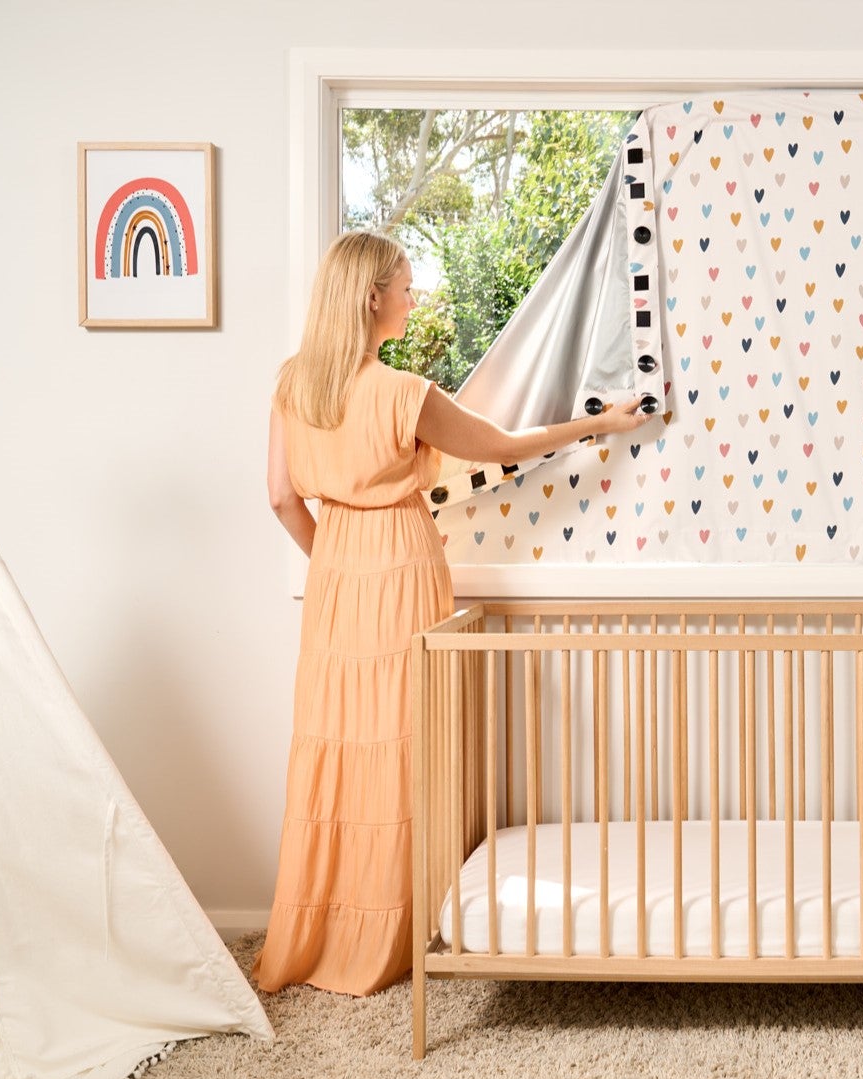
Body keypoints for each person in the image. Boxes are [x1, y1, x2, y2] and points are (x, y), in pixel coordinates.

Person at [255, 229, 653, 996]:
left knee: (336, 745)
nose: (415, 297)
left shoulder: (291, 385)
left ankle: (324, 932)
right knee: (405, 746)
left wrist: (336, 565)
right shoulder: (403, 395)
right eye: (406, 285)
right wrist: (600, 424)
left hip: (337, 572)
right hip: (401, 567)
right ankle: (391, 930)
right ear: (374, 298)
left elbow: (279, 497)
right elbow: (502, 446)